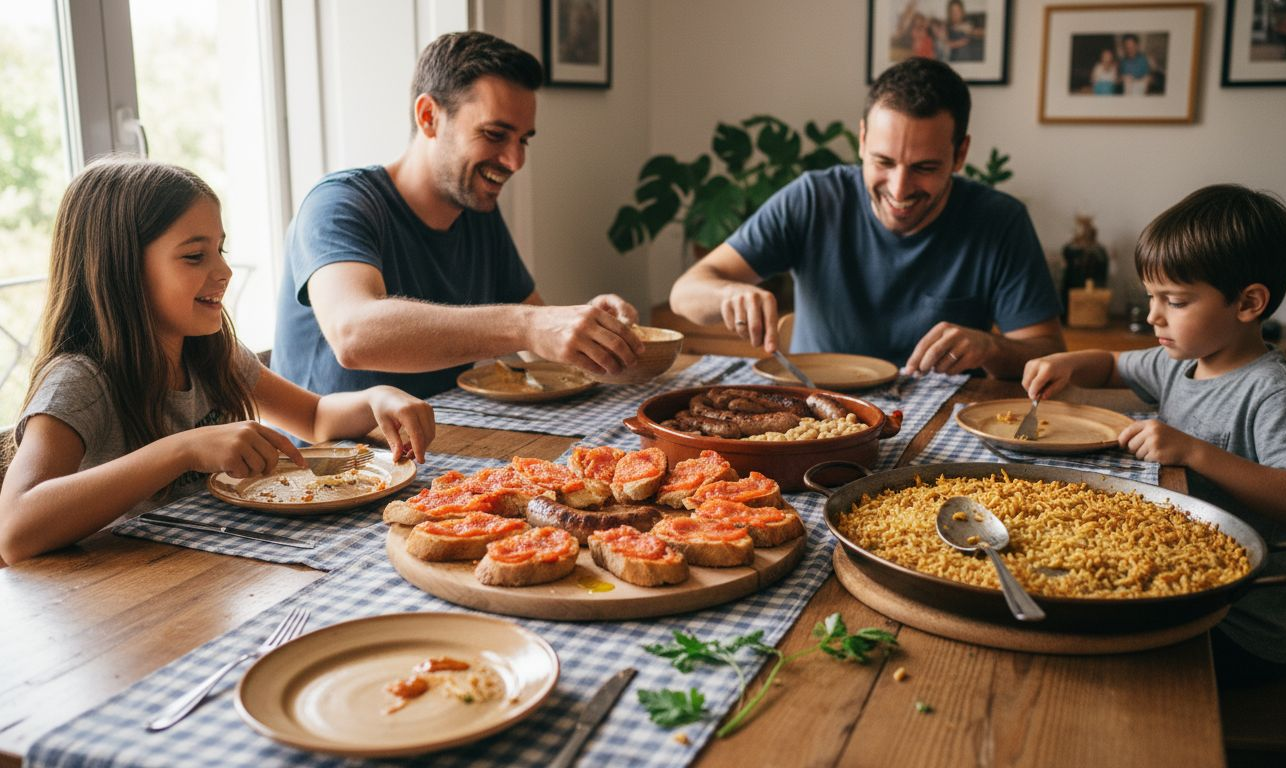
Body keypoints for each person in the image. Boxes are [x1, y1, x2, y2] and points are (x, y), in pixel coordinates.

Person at [0, 158, 435, 565]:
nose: (223, 271)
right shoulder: (80, 380)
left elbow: (315, 416)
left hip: (212, 571)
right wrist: (182, 450)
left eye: (221, 249)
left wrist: (375, 398)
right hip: (124, 603)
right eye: (195, 255)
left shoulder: (209, 354)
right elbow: (15, 530)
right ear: (122, 269)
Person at [1021, 184, 1286, 683]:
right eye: (1151, 297)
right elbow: (1112, 363)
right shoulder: (1181, 362)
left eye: (1176, 300)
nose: (1153, 316)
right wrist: (1066, 362)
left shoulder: (1273, 392)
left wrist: (1193, 451)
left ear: (1248, 302)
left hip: (1243, 625)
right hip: (1183, 584)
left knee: (1077, 653)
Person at [271, 31, 642, 399]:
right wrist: (529, 326)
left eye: (523, 139)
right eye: (495, 134)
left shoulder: (475, 208)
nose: (516, 161)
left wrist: (585, 329)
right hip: (332, 456)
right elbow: (354, 335)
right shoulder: (338, 204)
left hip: (440, 440)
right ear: (429, 116)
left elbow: (536, 343)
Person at [668, 57, 1064, 379]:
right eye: (883, 161)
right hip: (817, 411)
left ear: (960, 154)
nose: (899, 187)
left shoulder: (1000, 221)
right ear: (861, 140)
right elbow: (685, 293)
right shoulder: (813, 198)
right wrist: (728, 294)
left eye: (924, 167)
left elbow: (1046, 355)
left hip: (943, 428)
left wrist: (991, 347)